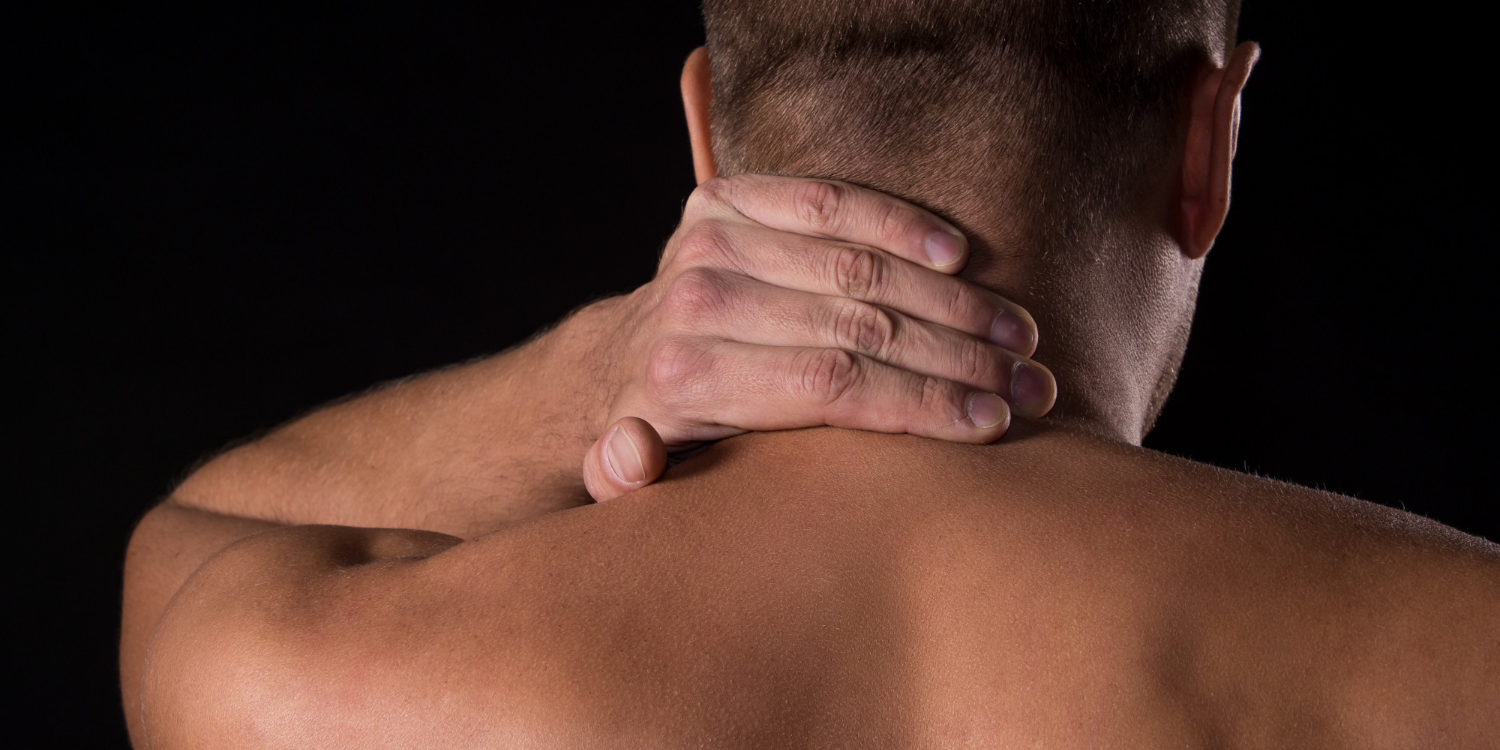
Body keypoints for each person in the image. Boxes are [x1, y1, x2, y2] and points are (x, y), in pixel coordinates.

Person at [121, 1, 1499, 747]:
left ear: (707, 143)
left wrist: (587, 374)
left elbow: (187, 535)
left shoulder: (336, 680)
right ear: (1211, 148)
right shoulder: (1461, 657)